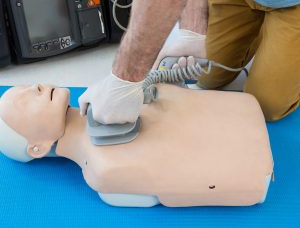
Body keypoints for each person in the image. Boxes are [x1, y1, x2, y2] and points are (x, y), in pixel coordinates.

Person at [79, 0, 300, 125]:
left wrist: (124, 78)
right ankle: (263, 30)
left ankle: (272, 30)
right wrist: (193, 30)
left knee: (264, 106)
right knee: (208, 75)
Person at [0, 84, 273, 207]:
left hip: (239, 119)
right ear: (37, 148)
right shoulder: (104, 170)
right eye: (25, 102)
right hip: (252, 173)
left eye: (25, 87)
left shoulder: (107, 92)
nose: (34, 88)